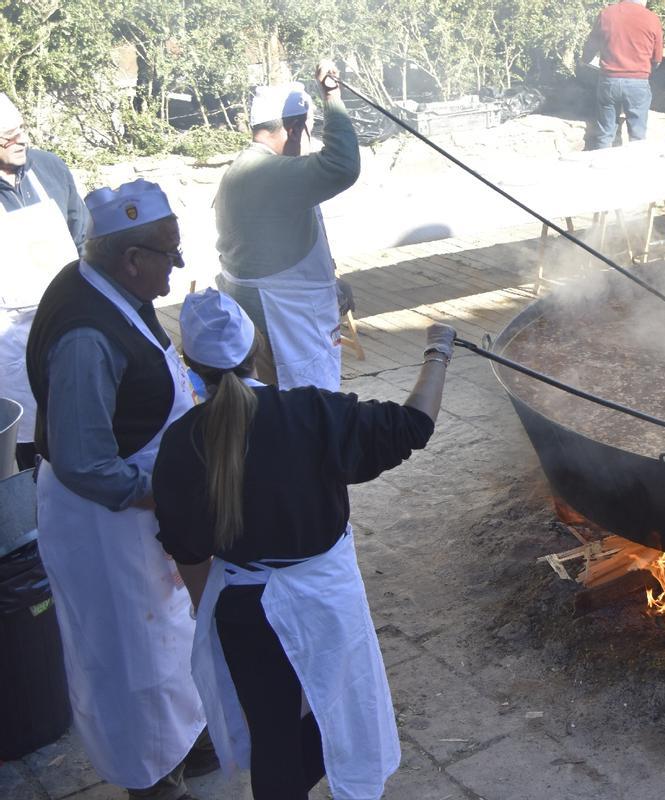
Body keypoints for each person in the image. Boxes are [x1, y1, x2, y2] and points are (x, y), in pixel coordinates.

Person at [153, 289, 452, 798]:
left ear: (190, 366)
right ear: (257, 348)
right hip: (325, 602)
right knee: (344, 707)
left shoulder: (183, 441)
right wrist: (437, 351)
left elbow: (187, 548)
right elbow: (414, 424)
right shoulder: (312, 411)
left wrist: (212, 610)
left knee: (273, 732)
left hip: (243, 610)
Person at [24, 179, 214, 798]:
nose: (176, 266)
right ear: (132, 259)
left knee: (170, 634)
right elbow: (84, 463)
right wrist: (171, 490)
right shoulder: (87, 336)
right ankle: (150, 777)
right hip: (105, 521)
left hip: (141, 504)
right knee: (133, 655)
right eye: (169, 254)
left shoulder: (111, 285)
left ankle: (186, 740)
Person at [215, 60, 359, 392]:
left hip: (281, 309)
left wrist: (331, 284)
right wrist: (332, 96)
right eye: (311, 130)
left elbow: (273, 249)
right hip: (281, 321)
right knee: (299, 407)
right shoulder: (266, 173)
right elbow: (342, 166)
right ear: (294, 129)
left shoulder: (250, 168)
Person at [0, 92, 89, 469]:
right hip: (10, 340)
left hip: (69, 322)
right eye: (8, 136)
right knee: (30, 447)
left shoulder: (50, 168)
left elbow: (83, 237)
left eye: (21, 129)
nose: (20, 140)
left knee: (82, 420)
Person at [582, 0, 664, 147]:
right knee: (638, 137)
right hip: (638, 82)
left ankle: (601, 159)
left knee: (605, 134)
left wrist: (584, 60)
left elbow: (591, 45)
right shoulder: (652, 18)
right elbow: (657, 59)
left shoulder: (606, 14)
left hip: (609, 81)